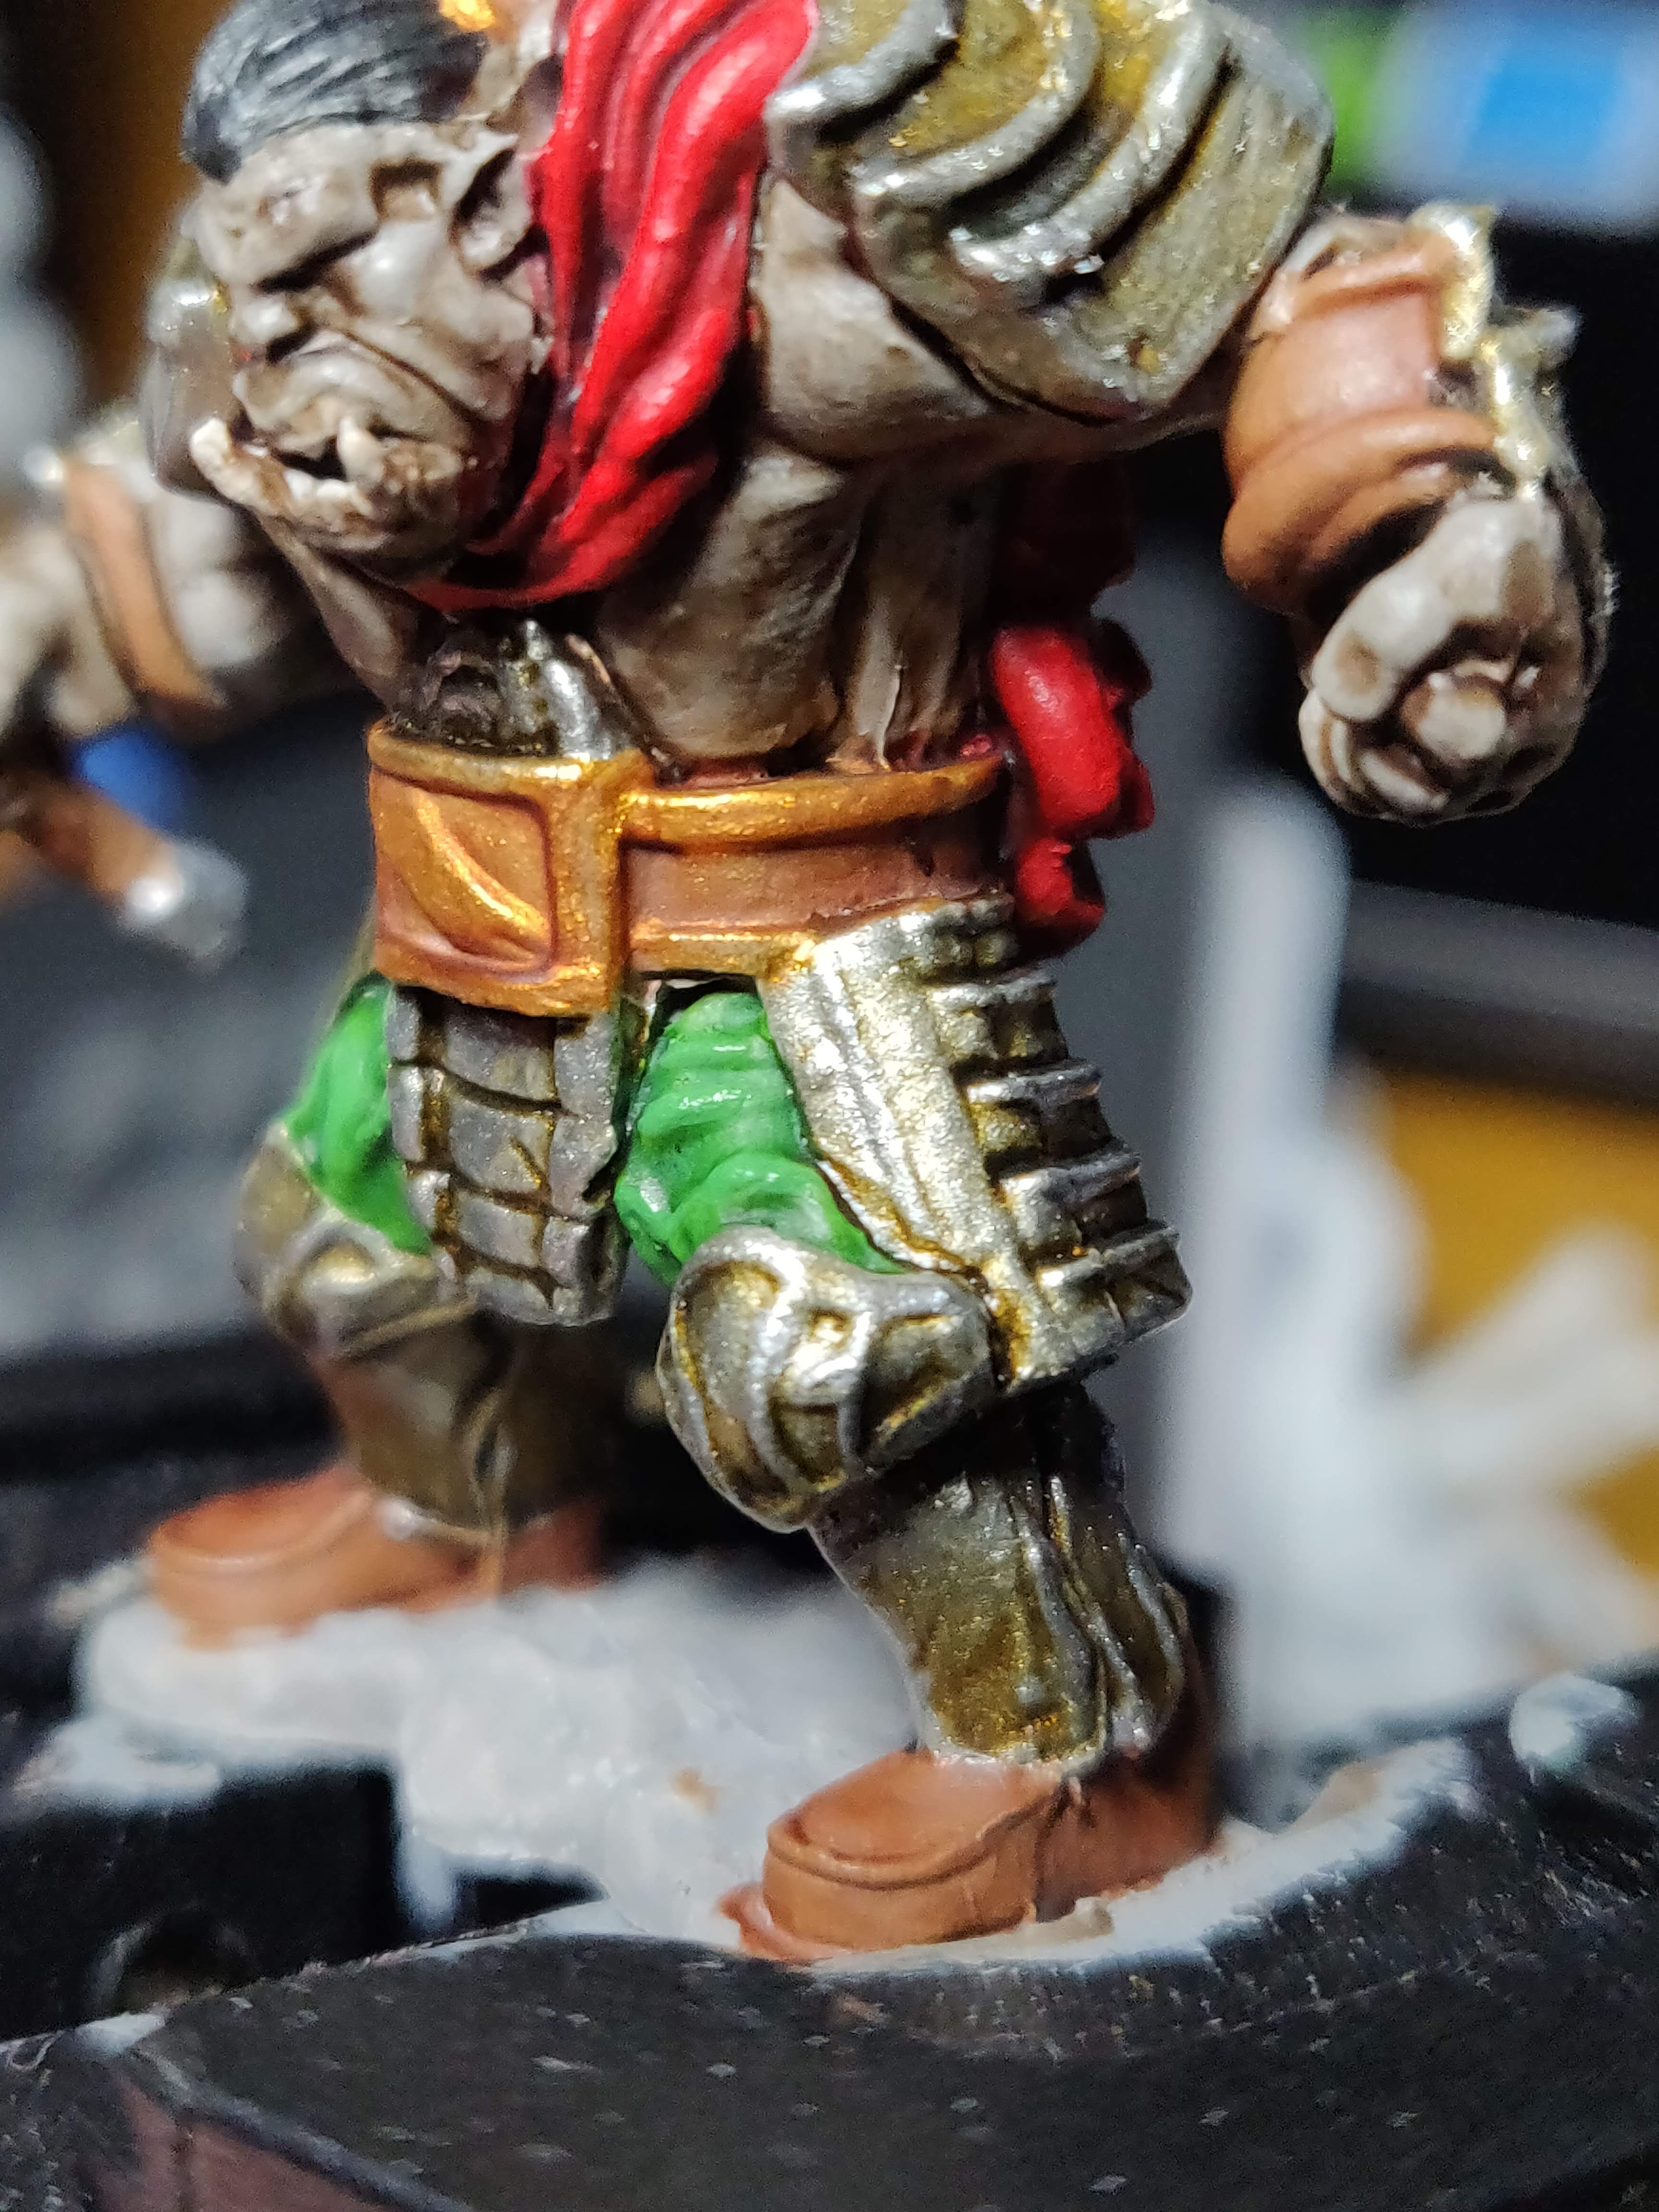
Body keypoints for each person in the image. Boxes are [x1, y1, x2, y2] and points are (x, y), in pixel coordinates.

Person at [0, 0, 1607, 1956]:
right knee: (352, 1244)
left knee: (840, 1369)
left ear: (475, 196)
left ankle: (1074, 1739)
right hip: (477, 911)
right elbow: (200, 547)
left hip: (800, 942)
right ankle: (466, 1513)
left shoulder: (794, 228)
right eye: (262, 288)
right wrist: (37, 630)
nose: (285, 340)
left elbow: (1287, 300)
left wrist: (1434, 537)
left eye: (340, 268)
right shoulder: (288, 268)